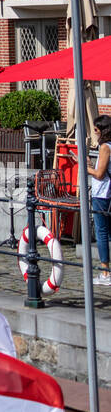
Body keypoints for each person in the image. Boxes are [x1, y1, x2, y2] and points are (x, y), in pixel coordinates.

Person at [86, 115, 111, 286]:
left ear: (103, 130)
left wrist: (84, 167)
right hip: (107, 194)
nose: (95, 133)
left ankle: (105, 272)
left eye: (96, 129)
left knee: (102, 233)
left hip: (102, 194)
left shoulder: (105, 147)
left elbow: (100, 174)